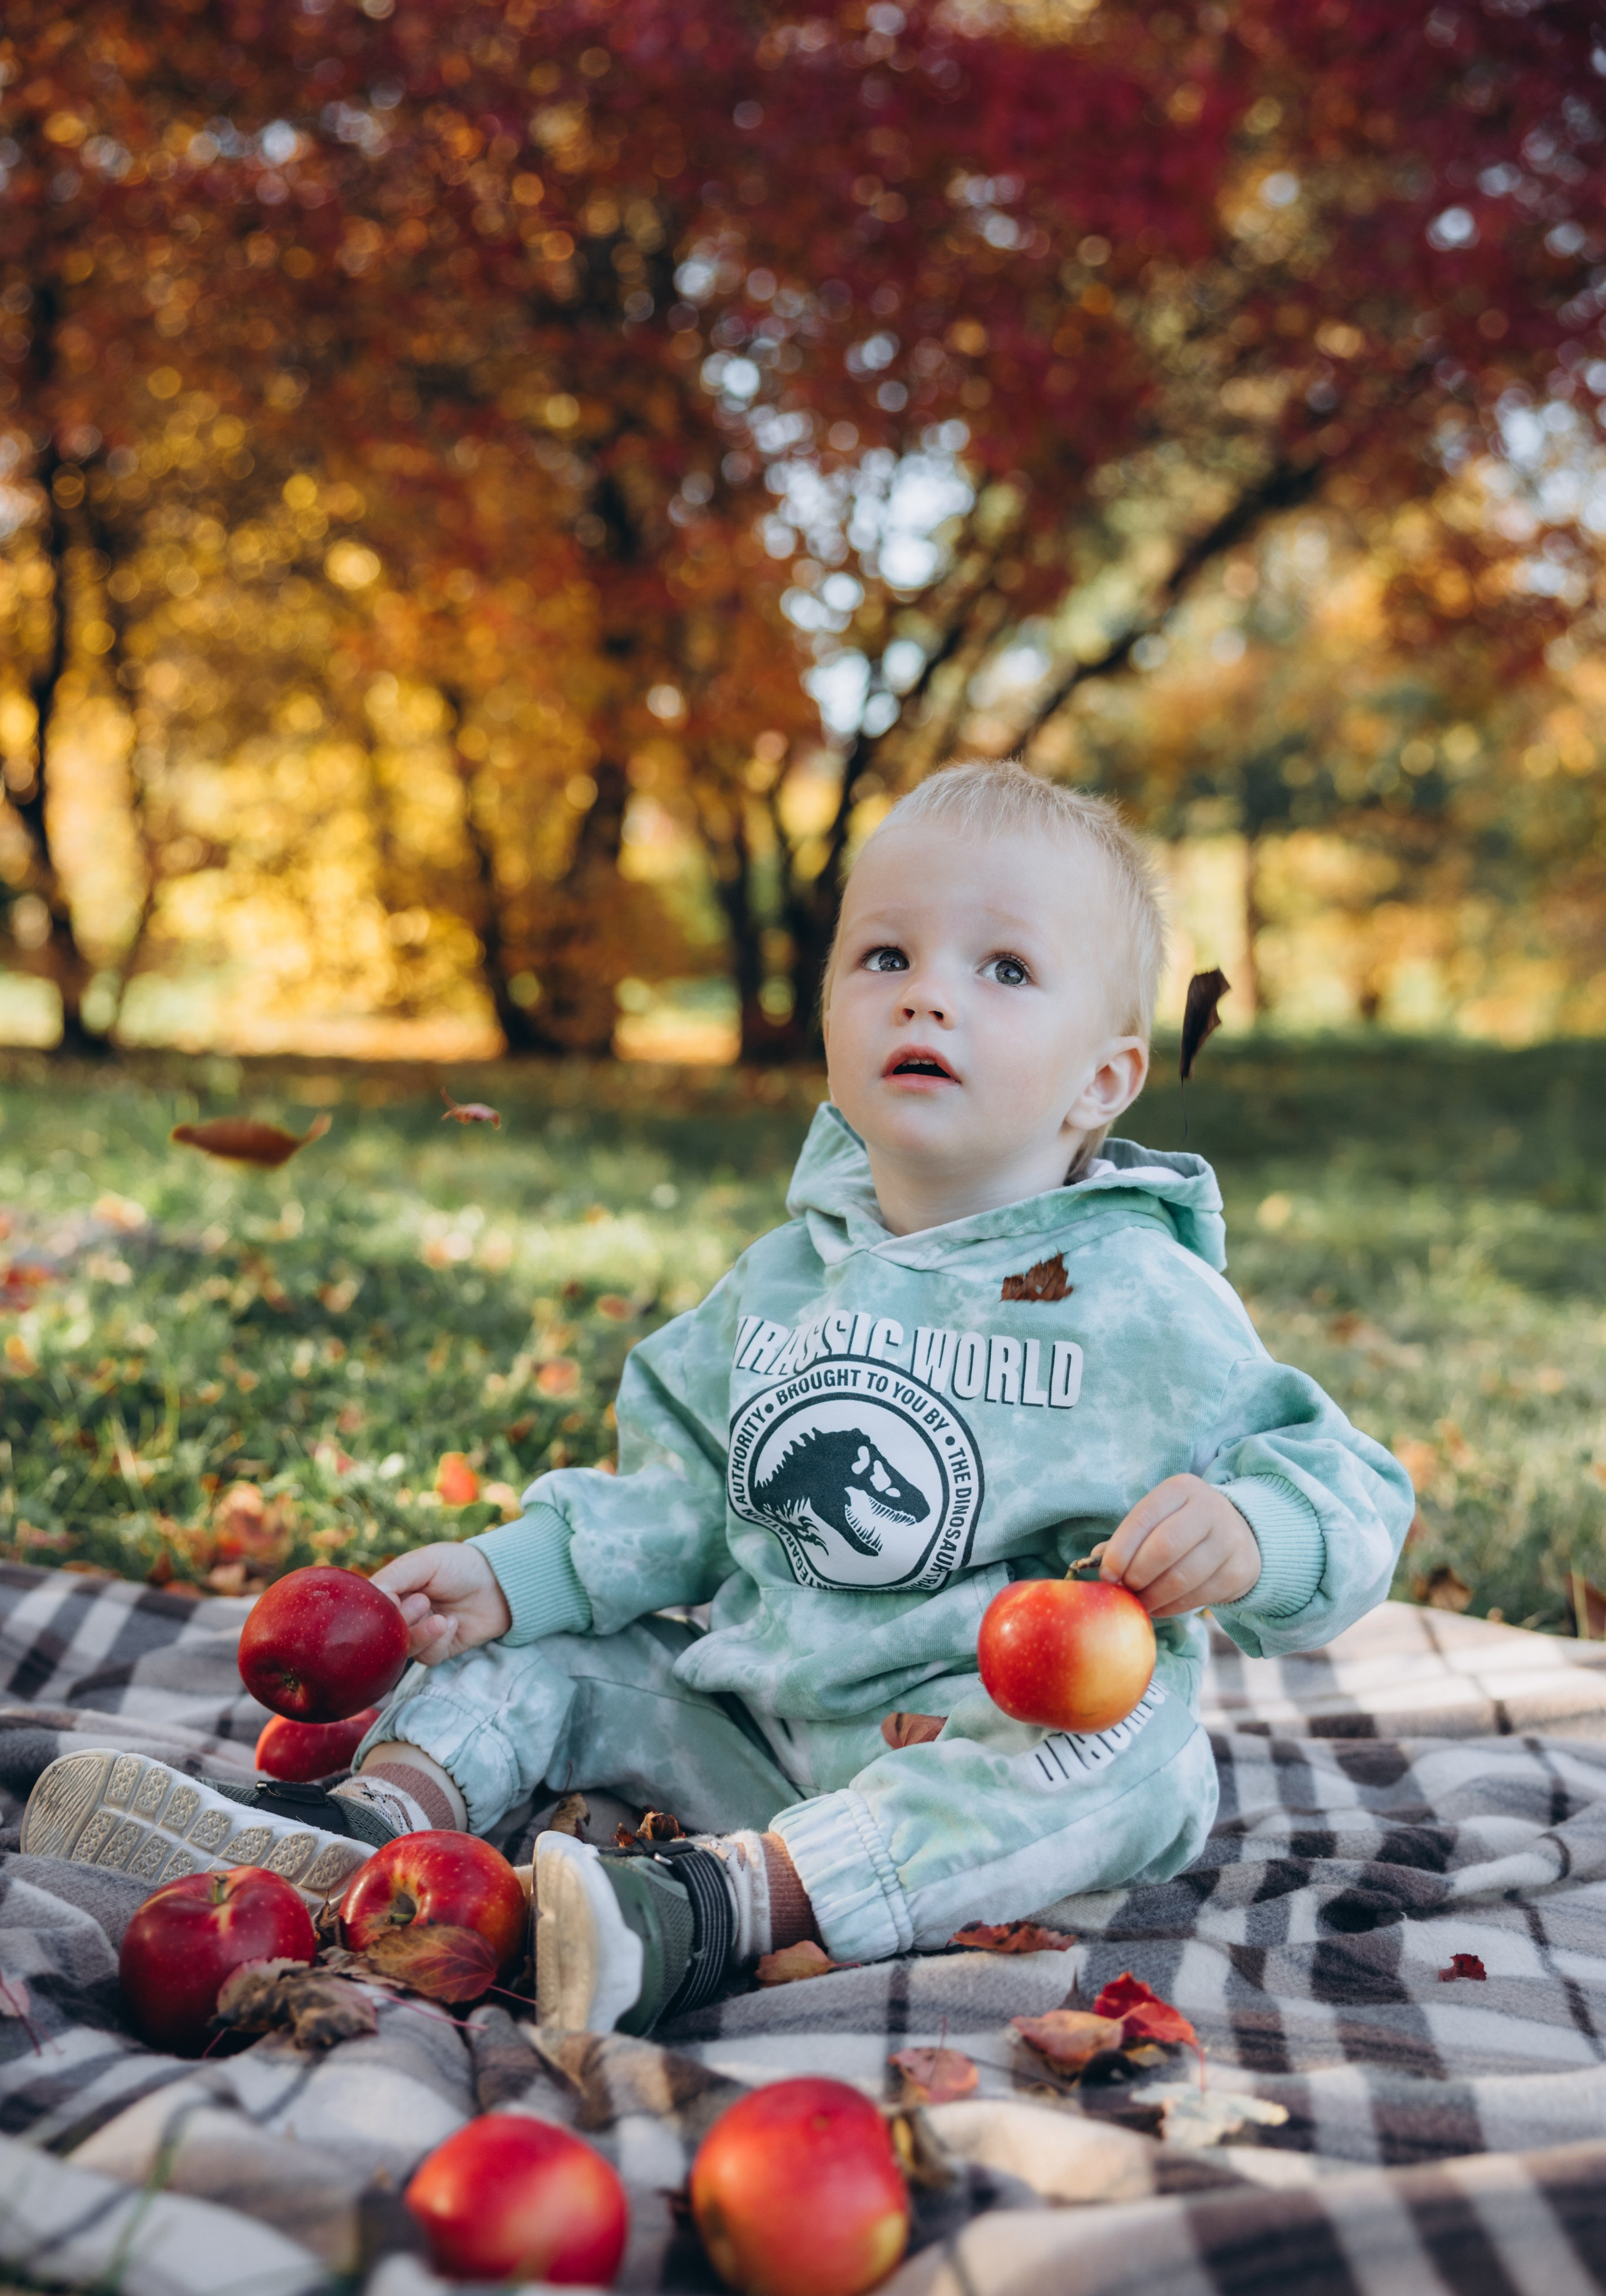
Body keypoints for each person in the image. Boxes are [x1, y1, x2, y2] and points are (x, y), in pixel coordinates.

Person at [21, 763, 1413, 2034]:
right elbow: (677, 1500)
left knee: (1124, 1756)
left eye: (1001, 968)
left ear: (1100, 1080)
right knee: (544, 1661)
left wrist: (1252, 1532)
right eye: (885, 955)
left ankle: (711, 1913)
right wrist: (511, 1575)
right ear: (827, 1018)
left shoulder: (1138, 1298)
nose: (927, 992)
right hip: (755, 1728)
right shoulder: (779, 1283)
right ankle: (359, 1832)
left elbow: (1340, 1484)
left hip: (986, 1770)